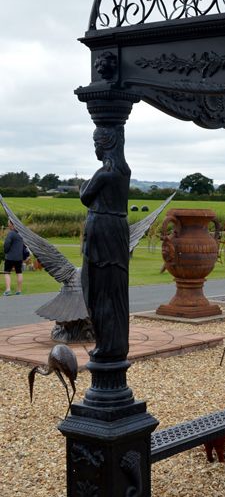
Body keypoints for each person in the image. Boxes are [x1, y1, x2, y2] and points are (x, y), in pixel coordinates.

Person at [80, 125, 131, 361]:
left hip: (101, 230)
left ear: (107, 144)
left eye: (96, 144)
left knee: (98, 289)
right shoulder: (124, 171)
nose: (95, 150)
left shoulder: (104, 173)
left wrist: (82, 186)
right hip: (117, 230)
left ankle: (106, 344)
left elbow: (85, 197)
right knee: (115, 288)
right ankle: (114, 342)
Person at [3, 220, 27, 295]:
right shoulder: (21, 234)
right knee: (19, 273)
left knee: (7, 273)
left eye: (8, 223)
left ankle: (8, 290)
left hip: (10, 257)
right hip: (19, 258)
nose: (8, 225)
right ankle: (19, 291)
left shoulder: (11, 234)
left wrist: (6, 251)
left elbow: (7, 244)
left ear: (11, 224)